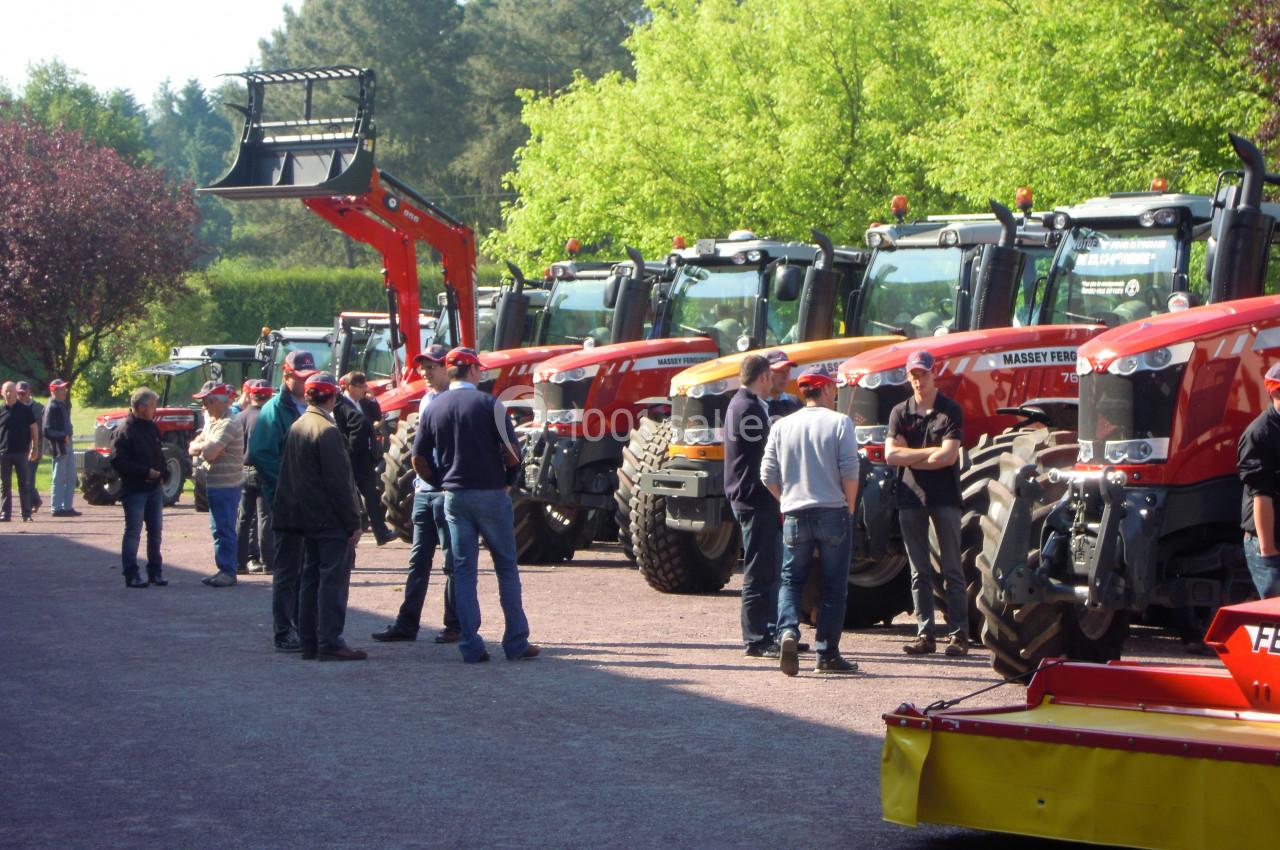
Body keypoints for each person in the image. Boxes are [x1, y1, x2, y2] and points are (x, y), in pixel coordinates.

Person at [416, 347, 538, 664]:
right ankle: (515, 642)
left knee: (464, 570)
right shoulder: (489, 404)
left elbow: (418, 458)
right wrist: (509, 478)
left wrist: (441, 479)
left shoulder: (433, 407)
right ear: (472, 371)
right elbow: (513, 452)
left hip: (454, 497)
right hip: (491, 493)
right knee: (506, 568)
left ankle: (471, 645)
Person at [761, 364, 860, 676]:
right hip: (832, 511)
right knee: (833, 586)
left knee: (790, 580)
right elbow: (850, 470)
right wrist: (850, 507)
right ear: (827, 389)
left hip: (794, 512)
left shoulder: (782, 426)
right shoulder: (840, 423)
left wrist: (785, 499)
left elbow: (767, 474)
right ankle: (827, 654)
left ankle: (787, 631)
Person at [272, 373, 366, 661]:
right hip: (329, 519)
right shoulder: (327, 431)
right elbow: (339, 482)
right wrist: (353, 521)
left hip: (303, 518)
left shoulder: (297, 426)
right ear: (332, 397)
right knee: (332, 580)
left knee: (310, 578)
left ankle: (311, 640)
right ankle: (330, 641)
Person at [372, 345, 462, 644]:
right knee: (418, 560)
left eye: (430, 367)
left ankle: (455, 625)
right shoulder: (426, 401)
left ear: (446, 368)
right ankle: (407, 624)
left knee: (452, 561)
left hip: (446, 491)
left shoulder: (457, 401)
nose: (424, 372)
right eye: (422, 367)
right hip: (425, 491)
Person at [885, 350, 969, 657]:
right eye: (913, 375)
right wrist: (928, 454)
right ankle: (926, 635)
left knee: (952, 568)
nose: (919, 380)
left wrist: (913, 455)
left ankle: (958, 635)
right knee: (919, 571)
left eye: (923, 374)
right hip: (910, 498)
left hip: (945, 497)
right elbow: (891, 455)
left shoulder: (950, 410)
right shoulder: (899, 412)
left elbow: (949, 456)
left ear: (935, 374)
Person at [247, 349, 315, 652]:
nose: (305, 382)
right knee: (287, 569)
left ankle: (302, 624)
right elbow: (261, 454)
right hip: (287, 501)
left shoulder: (309, 406)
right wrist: (290, 485)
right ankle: (283, 630)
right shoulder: (274, 411)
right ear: (286, 377)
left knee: (305, 567)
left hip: (309, 501)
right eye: (300, 378)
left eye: (308, 376)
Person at [725, 354, 787, 657]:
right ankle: (757, 637)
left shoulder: (744, 404)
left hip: (753, 498)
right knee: (758, 571)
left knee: (769, 569)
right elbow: (767, 449)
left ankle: (770, 631)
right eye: (771, 375)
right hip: (755, 498)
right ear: (763, 376)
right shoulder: (747, 407)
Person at [109, 387, 167, 588]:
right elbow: (118, 461)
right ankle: (131, 573)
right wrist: (145, 472)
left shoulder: (151, 427)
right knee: (134, 531)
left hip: (154, 488)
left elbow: (159, 453)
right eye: (152, 406)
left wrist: (163, 473)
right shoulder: (125, 430)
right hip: (135, 489)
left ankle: (155, 571)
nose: (155, 410)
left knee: (155, 531)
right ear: (141, 407)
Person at [189, 382, 245, 587]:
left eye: (206, 401)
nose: (203, 406)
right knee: (218, 528)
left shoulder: (229, 423)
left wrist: (204, 446)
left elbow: (210, 452)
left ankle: (228, 571)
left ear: (215, 401)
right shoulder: (213, 422)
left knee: (224, 528)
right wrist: (205, 445)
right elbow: (192, 447)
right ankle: (224, 568)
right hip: (216, 484)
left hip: (226, 485)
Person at [335, 371, 394, 545]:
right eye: (361, 387)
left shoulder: (363, 403)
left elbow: (376, 416)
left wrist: (373, 399)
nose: (364, 390)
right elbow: (346, 429)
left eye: (365, 386)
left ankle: (381, 533)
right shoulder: (341, 404)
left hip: (365, 457)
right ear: (350, 387)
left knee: (370, 494)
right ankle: (354, 530)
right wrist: (349, 450)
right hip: (350, 456)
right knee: (349, 494)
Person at [1238, 362, 1280, 599]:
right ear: (1275, 392)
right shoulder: (1259, 434)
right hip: (1269, 540)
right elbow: (1261, 496)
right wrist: (1268, 551)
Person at [236, 380, 274, 574]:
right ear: (269, 396)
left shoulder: (241, 417)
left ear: (251, 395)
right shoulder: (270, 418)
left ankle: (239, 563)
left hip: (243, 469)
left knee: (243, 517)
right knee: (265, 516)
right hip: (264, 470)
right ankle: (268, 562)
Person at [0, 381, 39, 523]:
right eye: (6, 391)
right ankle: (5, 513)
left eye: (11, 391)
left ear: (16, 393)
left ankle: (26, 514)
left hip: (22, 452)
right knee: (5, 485)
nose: (9, 394)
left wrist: (35, 448)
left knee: (24, 484)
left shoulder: (25, 410)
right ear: (2, 393)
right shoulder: (1, 410)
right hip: (4, 453)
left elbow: (34, 428)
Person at [43, 379, 80, 516]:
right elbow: (47, 430)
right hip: (59, 446)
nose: (64, 391)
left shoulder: (61, 404)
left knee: (70, 476)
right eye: (61, 389)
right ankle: (56, 508)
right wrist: (62, 435)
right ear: (53, 391)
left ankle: (68, 506)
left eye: (64, 388)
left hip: (68, 443)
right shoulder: (52, 406)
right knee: (59, 477)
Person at [16, 382, 43, 514]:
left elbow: (40, 430)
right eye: (19, 393)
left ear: (29, 392)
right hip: (18, 448)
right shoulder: (13, 407)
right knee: (25, 478)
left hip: (33, 447)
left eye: (23, 393)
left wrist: (35, 447)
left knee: (28, 477)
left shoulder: (38, 408)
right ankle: (35, 500)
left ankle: (32, 503)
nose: (21, 396)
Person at [763, 349, 802, 418]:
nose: (785, 376)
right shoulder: (755, 405)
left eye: (787, 370)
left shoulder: (795, 402)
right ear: (764, 374)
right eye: (779, 371)